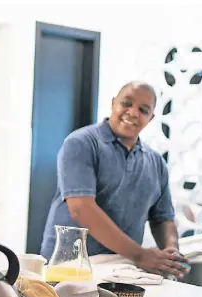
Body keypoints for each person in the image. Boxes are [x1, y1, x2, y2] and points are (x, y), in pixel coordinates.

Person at [39, 81, 190, 279]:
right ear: (113, 103)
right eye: (126, 103)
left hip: (122, 269)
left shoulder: (156, 163)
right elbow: (81, 208)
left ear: (151, 118)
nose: (133, 112)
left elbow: (162, 218)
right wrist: (141, 255)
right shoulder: (81, 143)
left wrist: (171, 251)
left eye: (143, 110)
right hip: (69, 267)